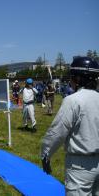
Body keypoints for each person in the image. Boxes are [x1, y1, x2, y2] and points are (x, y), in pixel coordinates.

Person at [41, 56, 99, 195]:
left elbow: (57, 132)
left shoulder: (73, 100)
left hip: (80, 166)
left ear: (78, 79)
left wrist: (45, 154)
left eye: (72, 77)